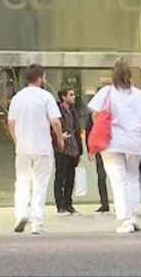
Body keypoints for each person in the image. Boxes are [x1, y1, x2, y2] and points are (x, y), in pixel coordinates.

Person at [88, 58, 141, 234]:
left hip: (112, 141)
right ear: (130, 75)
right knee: (133, 178)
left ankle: (125, 219)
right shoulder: (139, 94)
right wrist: (135, 124)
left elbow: (94, 114)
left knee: (118, 180)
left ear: (113, 75)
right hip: (134, 141)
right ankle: (133, 217)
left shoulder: (107, 92)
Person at [8, 64, 64, 235]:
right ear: (41, 78)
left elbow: (11, 122)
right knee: (40, 184)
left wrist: (16, 140)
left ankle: (21, 214)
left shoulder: (17, 98)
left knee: (22, 182)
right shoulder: (46, 97)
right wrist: (60, 139)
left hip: (23, 147)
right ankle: (36, 223)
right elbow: (55, 121)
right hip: (42, 147)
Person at [53, 87, 83, 215]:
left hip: (73, 149)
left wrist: (80, 151)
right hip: (62, 148)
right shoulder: (57, 110)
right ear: (63, 97)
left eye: (73, 94)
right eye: (71, 95)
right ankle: (60, 205)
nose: (73, 97)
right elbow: (51, 126)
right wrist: (58, 137)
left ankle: (68, 204)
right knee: (60, 177)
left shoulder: (73, 111)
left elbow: (77, 130)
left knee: (71, 177)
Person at [85, 110, 109, 213]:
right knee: (101, 176)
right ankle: (104, 203)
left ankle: (110, 203)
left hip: (110, 147)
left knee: (108, 177)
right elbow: (88, 132)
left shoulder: (109, 112)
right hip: (101, 148)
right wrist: (90, 150)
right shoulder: (93, 114)